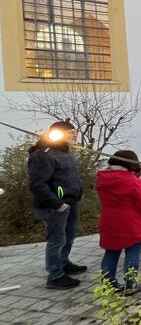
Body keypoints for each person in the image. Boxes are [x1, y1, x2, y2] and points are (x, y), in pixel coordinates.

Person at [27, 121, 87, 289]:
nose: (75, 136)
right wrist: (57, 204)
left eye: (75, 132)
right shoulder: (43, 154)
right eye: (71, 133)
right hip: (55, 206)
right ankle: (55, 275)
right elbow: (37, 184)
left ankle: (63, 262)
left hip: (70, 202)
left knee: (69, 235)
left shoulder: (64, 151)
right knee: (57, 239)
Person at [96, 150, 141, 295]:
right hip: (131, 223)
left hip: (109, 221)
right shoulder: (134, 182)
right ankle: (130, 285)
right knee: (132, 253)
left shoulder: (102, 179)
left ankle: (108, 284)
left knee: (111, 252)